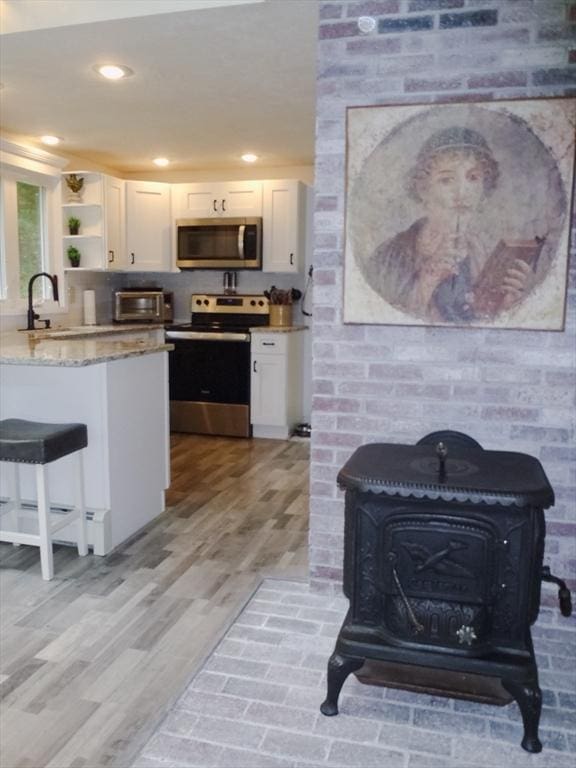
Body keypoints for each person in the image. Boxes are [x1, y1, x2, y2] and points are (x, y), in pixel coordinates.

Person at [365, 127, 534, 322]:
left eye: (472, 178)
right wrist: (427, 280)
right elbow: (381, 317)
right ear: (423, 189)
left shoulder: (486, 253)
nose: (462, 192)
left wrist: (505, 306)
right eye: (446, 180)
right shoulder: (389, 258)